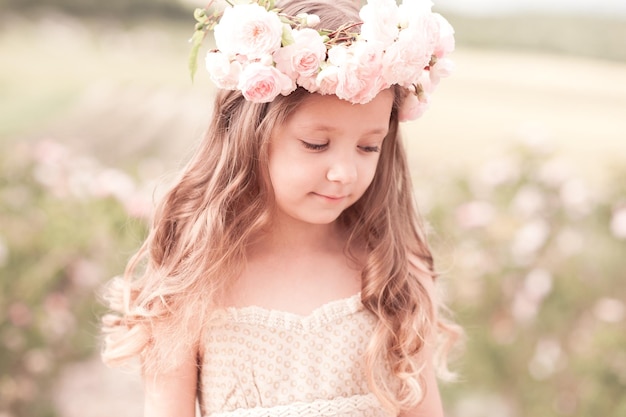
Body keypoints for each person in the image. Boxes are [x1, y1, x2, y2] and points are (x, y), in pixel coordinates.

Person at [101, 0, 461, 416]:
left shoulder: (394, 273)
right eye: (316, 144)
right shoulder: (195, 278)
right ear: (252, 134)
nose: (344, 172)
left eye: (368, 146)